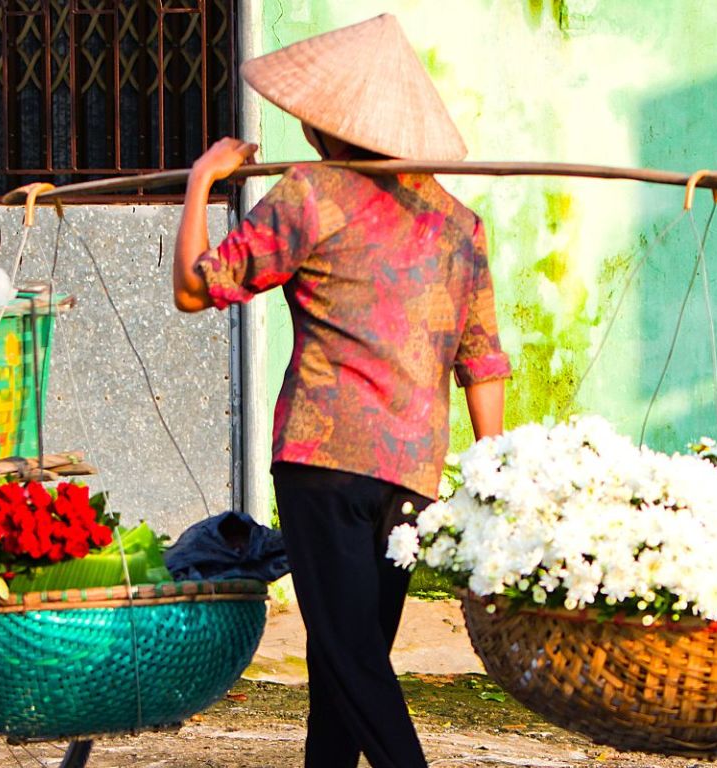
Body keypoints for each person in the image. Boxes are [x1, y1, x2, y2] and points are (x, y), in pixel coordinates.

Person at [170, 14, 510, 768]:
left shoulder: (311, 194)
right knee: (340, 669)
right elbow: (483, 360)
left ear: (326, 128)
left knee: (351, 663)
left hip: (323, 464)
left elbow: (197, 289)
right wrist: (495, 474)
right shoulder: (459, 224)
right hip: (411, 476)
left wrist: (201, 183)